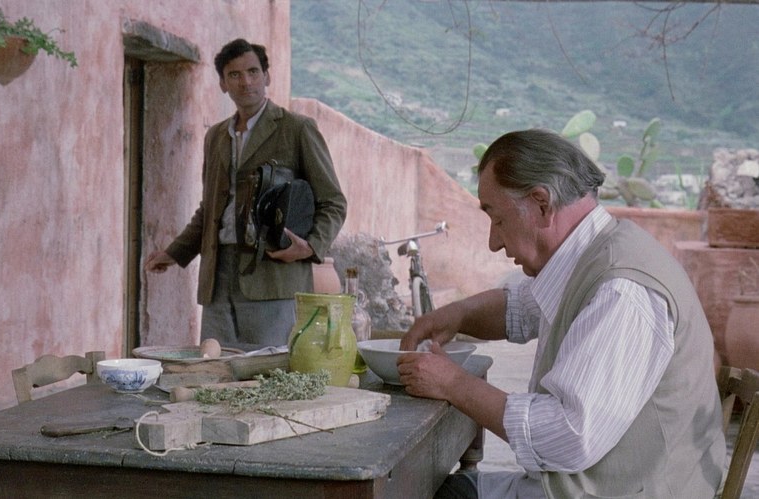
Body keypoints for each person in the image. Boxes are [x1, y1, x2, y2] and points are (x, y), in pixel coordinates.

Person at [398, 128, 726, 498]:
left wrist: (454, 384)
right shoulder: (594, 252)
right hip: (582, 487)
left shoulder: (622, 290)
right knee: (430, 489)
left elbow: (568, 436)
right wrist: (455, 315)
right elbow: (522, 307)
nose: (494, 242)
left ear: (542, 204)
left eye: (498, 219)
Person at [145, 38, 346, 347]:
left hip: (273, 275)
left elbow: (333, 202)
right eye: (234, 75)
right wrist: (174, 253)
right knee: (216, 366)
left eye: (253, 72)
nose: (246, 82)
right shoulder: (216, 137)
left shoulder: (296, 129)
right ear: (223, 84)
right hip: (218, 279)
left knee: (268, 368)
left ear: (267, 76)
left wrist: (310, 246)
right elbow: (210, 210)